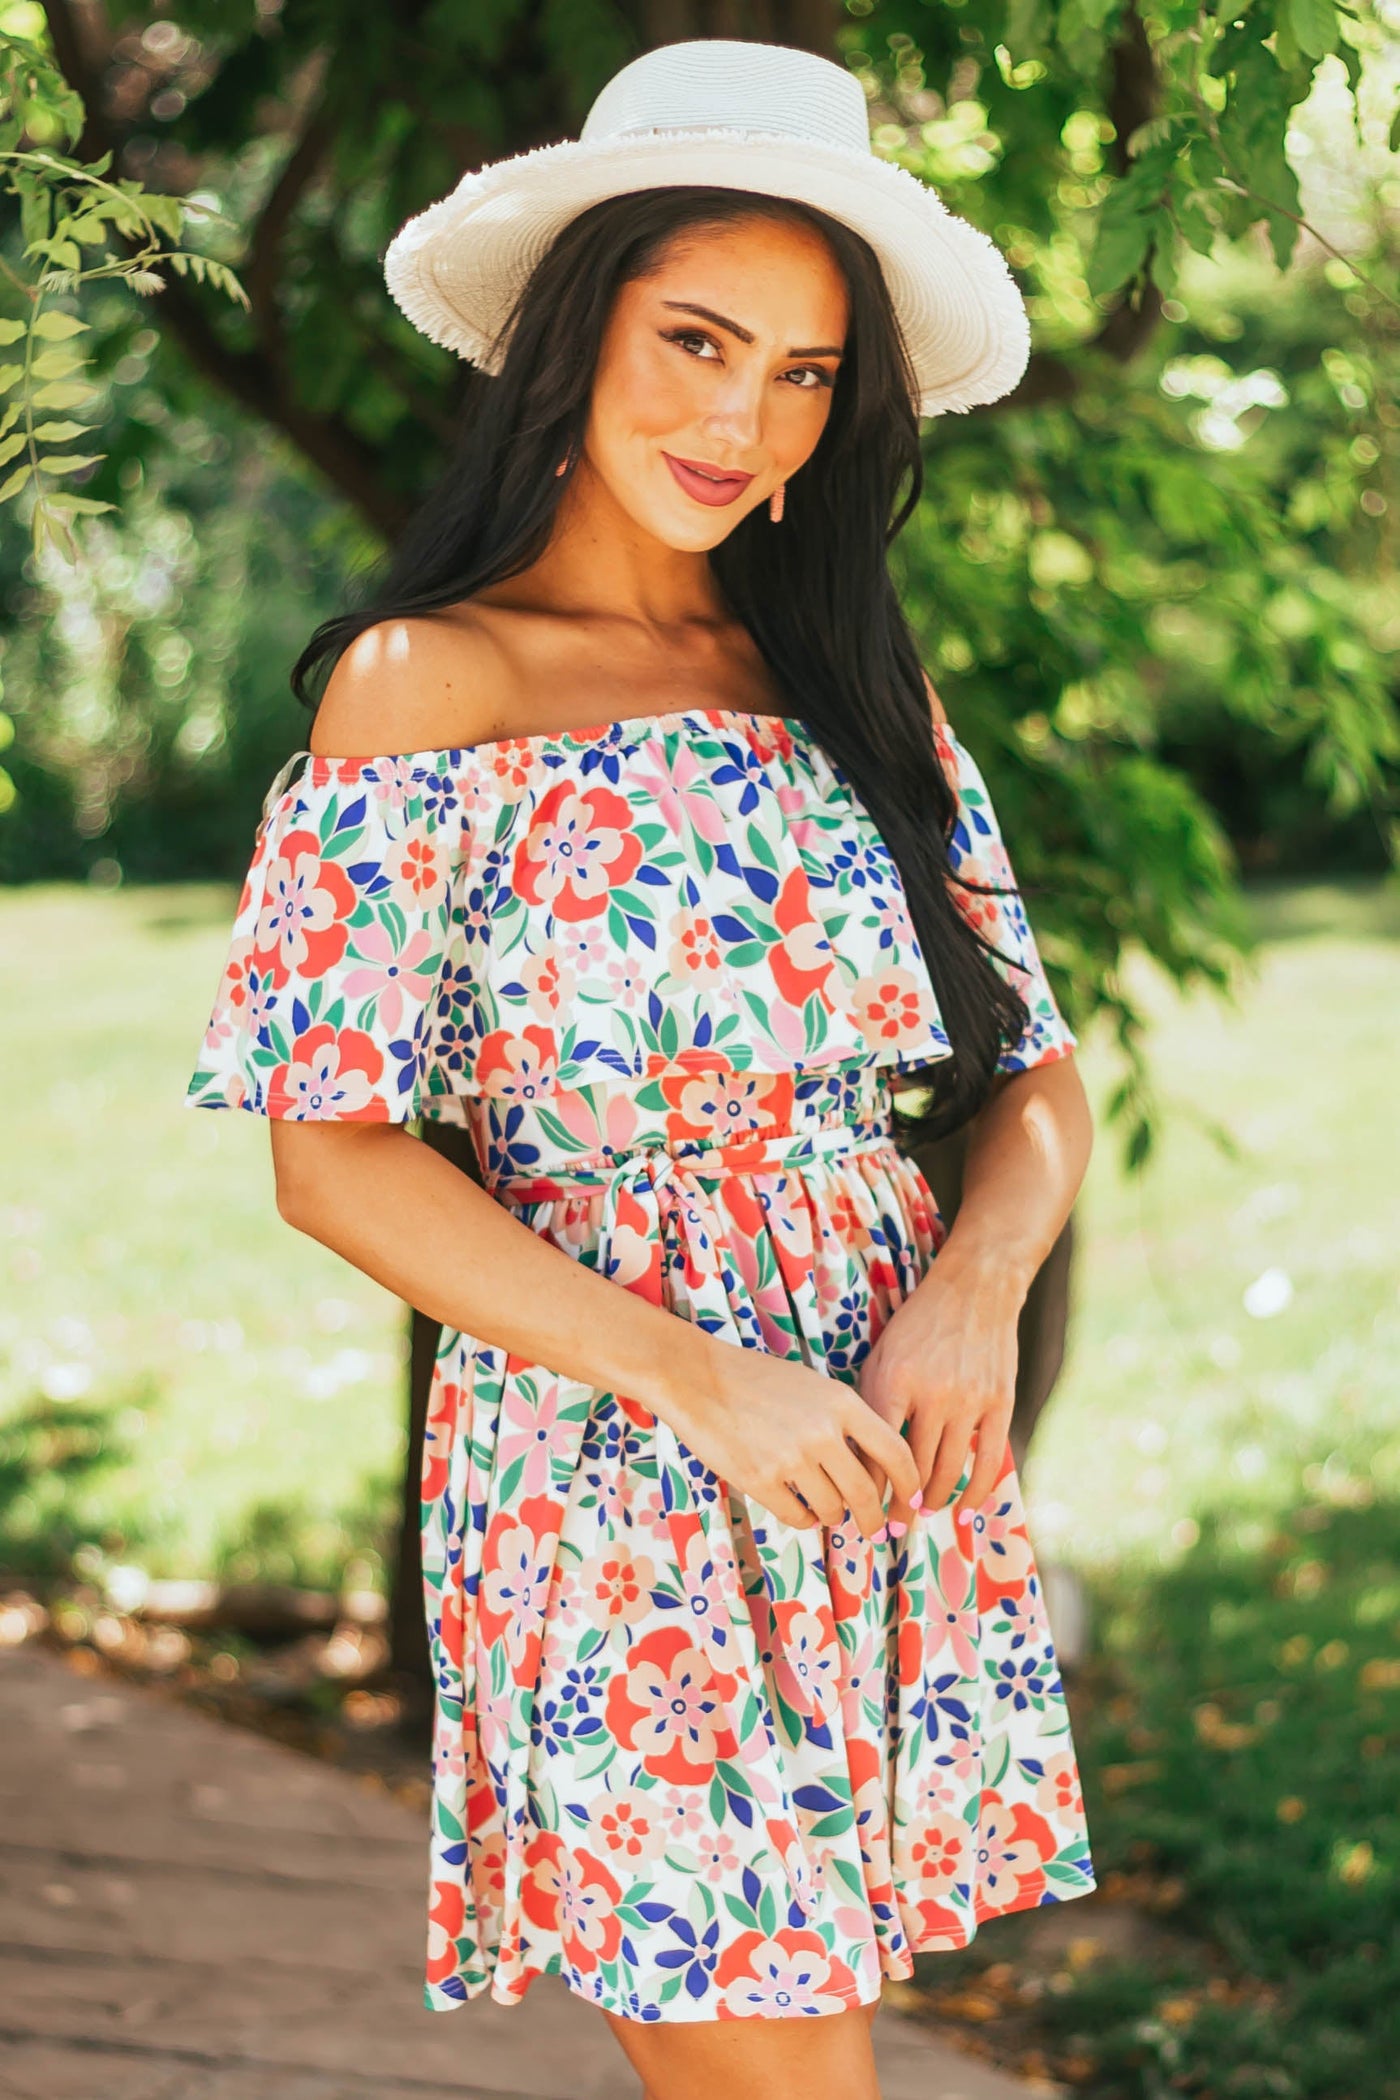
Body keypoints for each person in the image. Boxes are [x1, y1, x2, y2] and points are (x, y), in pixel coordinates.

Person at [185, 37, 1097, 2100]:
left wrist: (970, 1293)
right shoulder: (428, 686)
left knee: (802, 2053)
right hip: (621, 1477)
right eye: (695, 338)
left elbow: (1030, 1076)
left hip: (879, 1450)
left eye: (796, 374)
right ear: (574, 334)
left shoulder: (843, 673)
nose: (736, 414)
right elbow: (328, 1160)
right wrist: (701, 1380)